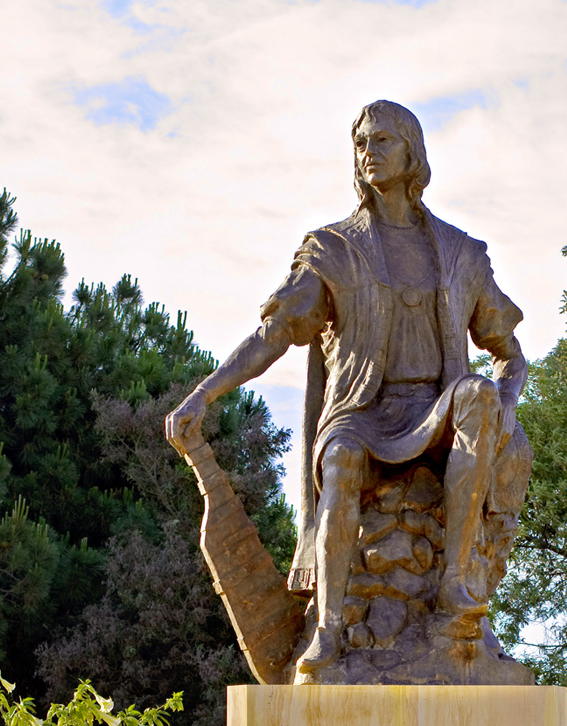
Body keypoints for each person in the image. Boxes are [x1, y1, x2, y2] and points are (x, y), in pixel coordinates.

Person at [166, 100, 530, 675]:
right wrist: (205, 393)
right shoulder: (333, 246)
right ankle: (330, 629)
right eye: (361, 144)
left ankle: (455, 585)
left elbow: (509, 355)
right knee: (339, 457)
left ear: (413, 152)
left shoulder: (462, 253)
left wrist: (506, 401)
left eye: (383, 141)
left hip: (436, 410)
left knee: (479, 394)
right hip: (362, 411)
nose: (369, 153)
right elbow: (276, 333)